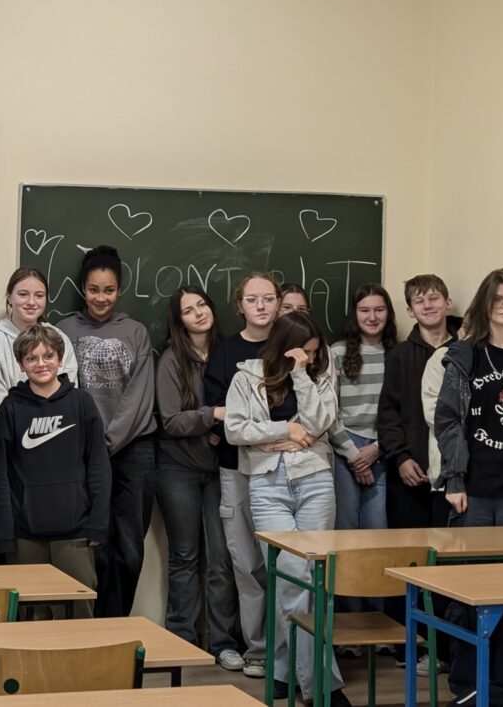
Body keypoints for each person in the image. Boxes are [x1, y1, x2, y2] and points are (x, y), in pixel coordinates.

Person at [225, 311, 349, 706]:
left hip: (315, 481)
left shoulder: (318, 376)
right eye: (301, 352)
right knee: (290, 577)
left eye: (312, 352)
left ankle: (283, 670)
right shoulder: (246, 376)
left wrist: (301, 375)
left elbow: (320, 422)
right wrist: (287, 431)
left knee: (312, 578)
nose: (309, 358)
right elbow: (234, 429)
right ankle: (322, 686)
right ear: (281, 345)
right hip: (267, 485)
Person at [436, 269, 503, 706]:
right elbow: (448, 420)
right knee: (471, 587)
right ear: (485, 304)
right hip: (475, 489)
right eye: (498, 298)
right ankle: (467, 682)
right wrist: (454, 478)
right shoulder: (465, 356)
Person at [56, 246, 157, 618]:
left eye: (109, 290)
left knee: (129, 549)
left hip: (132, 449)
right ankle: (89, 625)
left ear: (119, 290)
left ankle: (117, 625)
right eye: (94, 289)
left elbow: (139, 397)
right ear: (83, 289)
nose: (101, 298)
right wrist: (91, 447)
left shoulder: (136, 332)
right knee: (89, 545)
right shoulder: (64, 330)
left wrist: (108, 442)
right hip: (82, 450)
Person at [0, 325, 110, 618]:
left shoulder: (81, 403)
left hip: (76, 533)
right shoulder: (11, 408)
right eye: (31, 358)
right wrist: (4, 534)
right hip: (25, 537)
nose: (41, 363)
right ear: (21, 364)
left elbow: (99, 468)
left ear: (60, 359)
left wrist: (98, 524)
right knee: (32, 618)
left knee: (78, 616)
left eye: (48, 356)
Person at [155, 286, 243, 669]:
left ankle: (223, 643)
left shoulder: (228, 352)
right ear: (180, 321)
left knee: (222, 558)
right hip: (177, 469)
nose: (199, 313)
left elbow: (246, 409)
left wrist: (216, 427)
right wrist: (213, 416)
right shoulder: (171, 360)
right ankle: (183, 642)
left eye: (202, 304)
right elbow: (171, 420)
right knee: (185, 556)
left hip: (221, 468)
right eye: (189, 310)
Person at [377, 274, 460, 671]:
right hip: (409, 474)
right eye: (419, 301)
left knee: (447, 562)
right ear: (410, 311)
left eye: (434, 298)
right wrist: (400, 458)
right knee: (409, 560)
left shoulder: (467, 348)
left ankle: (446, 649)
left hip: (453, 477)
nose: (428, 305)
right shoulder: (400, 355)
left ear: (448, 302)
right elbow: (388, 413)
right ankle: (410, 646)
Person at [203, 271, 279, 679]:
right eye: (253, 299)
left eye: (268, 298)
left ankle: (288, 650)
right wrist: (253, 435)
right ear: (240, 306)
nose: (261, 306)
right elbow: (219, 409)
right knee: (246, 563)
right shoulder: (225, 351)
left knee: (283, 564)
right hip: (236, 468)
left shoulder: (290, 346)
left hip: (284, 469)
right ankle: (259, 649)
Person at [328, 284, 396, 550]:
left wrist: (377, 448)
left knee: (377, 529)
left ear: (389, 313)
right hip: (344, 447)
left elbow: (402, 411)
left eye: (379, 310)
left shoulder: (396, 354)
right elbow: (329, 411)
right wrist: (354, 455)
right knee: (345, 527)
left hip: (383, 447)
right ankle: (345, 581)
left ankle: (374, 581)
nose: (372, 317)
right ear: (354, 314)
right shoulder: (337, 352)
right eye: (365, 310)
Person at [0, 267, 78, 415]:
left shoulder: (60, 338)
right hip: (12, 426)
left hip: (59, 424)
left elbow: (70, 394)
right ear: (9, 297)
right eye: (23, 294)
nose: (31, 302)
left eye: (39, 295)